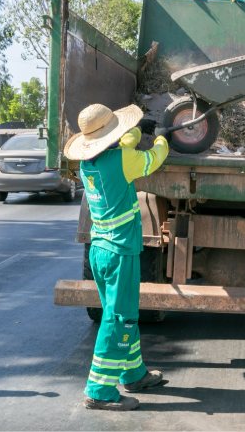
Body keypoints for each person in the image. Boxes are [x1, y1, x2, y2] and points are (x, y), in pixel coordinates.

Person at [63, 103, 169, 411]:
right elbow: (154, 158)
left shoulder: (88, 164)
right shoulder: (124, 160)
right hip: (120, 252)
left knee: (122, 311)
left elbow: (124, 147)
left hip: (101, 250)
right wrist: (161, 137)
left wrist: (136, 132)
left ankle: (133, 373)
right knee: (119, 318)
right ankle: (99, 390)